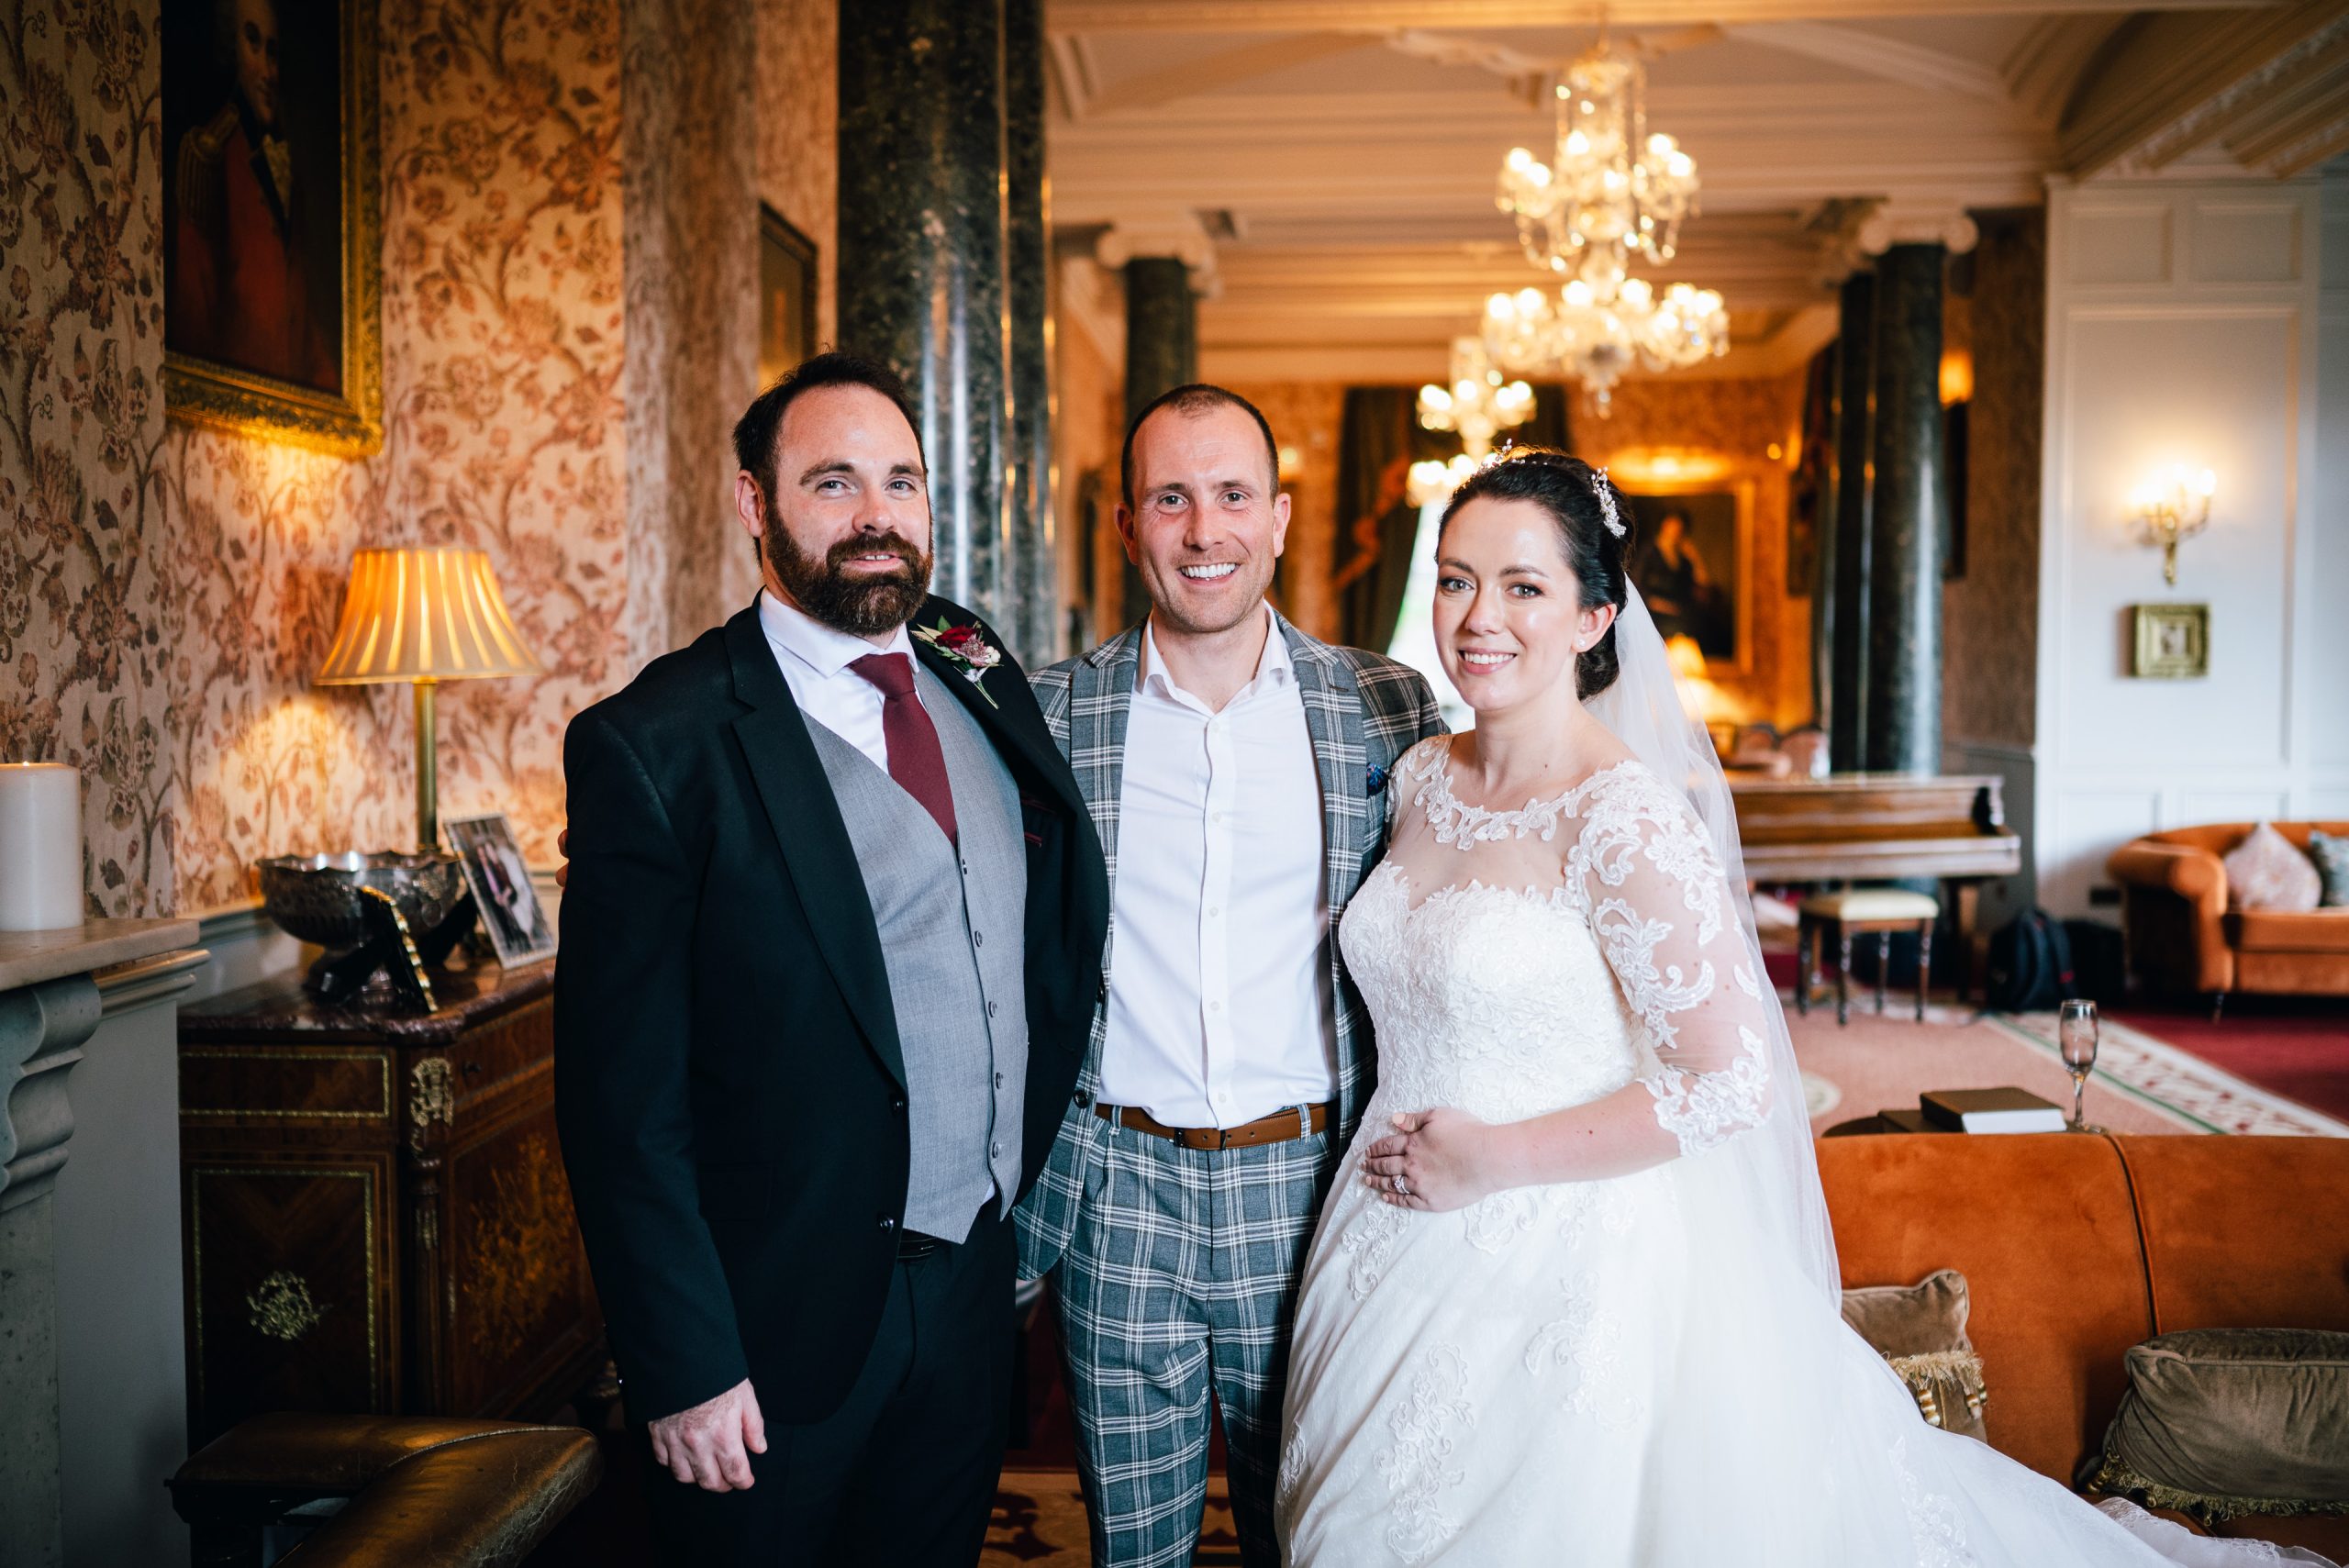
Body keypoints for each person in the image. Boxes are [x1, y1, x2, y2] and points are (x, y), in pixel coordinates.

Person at [1272, 447, 2328, 1568]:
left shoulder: (1622, 815)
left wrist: (1493, 1159)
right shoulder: (1421, 777)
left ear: (1593, 616)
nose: (1476, 615)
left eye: (1522, 585)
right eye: (1454, 578)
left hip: (1563, 1254)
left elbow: (1728, 1078)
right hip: (1384, 1235)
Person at [553, 351, 1108, 1567]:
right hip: (771, 1327)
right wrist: (684, 1361)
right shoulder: (658, 745)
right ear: (756, 502)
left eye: (901, 484)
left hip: (970, 1290)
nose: (876, 518)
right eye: (834, 482)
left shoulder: (974, 668)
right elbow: (618, 1104)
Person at [1015, 384, 1446, 1567]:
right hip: (1118, 1187)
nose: (1203, 529)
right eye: (1171, 498)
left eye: (1231, 495)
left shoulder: (1386, 706)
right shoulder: (1046, 714)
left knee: (1313, 1533)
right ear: (1127, 524)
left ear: (1282, 516)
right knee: (1133, 1546)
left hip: (1316, 1183)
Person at [169, 0, 338, 388]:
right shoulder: (209, 155)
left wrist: (326, 393)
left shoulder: (288, 167)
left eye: (274, 52)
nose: (268, 70)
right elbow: (194, 311)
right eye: (253, 43)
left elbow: (301, 313)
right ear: (233, 49)